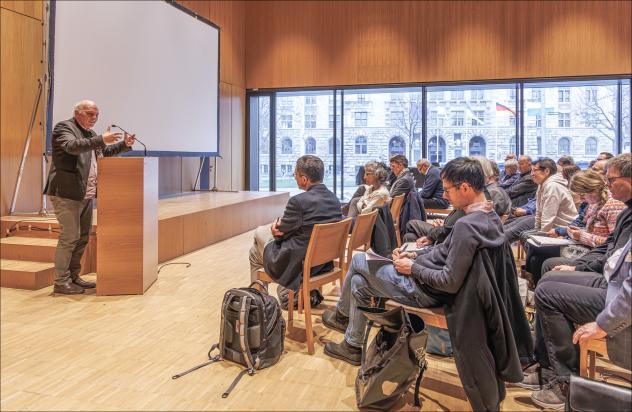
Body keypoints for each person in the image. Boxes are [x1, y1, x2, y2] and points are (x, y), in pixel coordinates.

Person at [321, 157, 502, 365]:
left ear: (465, 188)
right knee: (358, 283)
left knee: (359, 260)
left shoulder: (467, 226)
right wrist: (415, 255)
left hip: (427, 290)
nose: (444, 196)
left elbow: (449, 281)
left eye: (448, 190)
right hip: (429, 283)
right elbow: (444, 251)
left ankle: (342, 317)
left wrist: (413, 268)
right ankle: (353, 344)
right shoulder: (487, 216)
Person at [528, 237, 631, 409]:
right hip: (613, 281)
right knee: (548, 279)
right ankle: (547, 368)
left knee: (547, 294)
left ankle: (566, 383)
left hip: (619, 297)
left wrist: (603, 324)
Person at [44, 100, 134, 294]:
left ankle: (74, 276)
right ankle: (61, 281)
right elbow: (72, 146)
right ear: (78, 113)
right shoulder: (64, 128)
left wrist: (123, 146)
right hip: (67, 193)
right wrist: (101, 139)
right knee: (70, 237)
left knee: (82, 237)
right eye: (90, 114)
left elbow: (103, 152)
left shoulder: (91, 134)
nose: (94, 118)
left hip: (86, 193)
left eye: (97, 115)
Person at [248, 155, 343, 297]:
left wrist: (275, 231)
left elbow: (281, 232)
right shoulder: (334, 199)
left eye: (295, 174)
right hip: (322, 263)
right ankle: (292, 292)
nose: (294, 177)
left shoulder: (298, 202)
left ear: (304, 179)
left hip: (299, 261)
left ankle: (259, 301)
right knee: (258, 244)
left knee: (257, 241)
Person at [539, 153, 631, 276]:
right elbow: (606, 241)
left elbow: (611, 247)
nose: (581, 199)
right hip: (595, 252)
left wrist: (580, 237)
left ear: (592, 190)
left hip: (600, 257)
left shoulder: (614, 205)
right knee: (538, 254)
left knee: (548, 263)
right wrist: (567, 231)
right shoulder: (594, 204)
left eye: (582, 195)